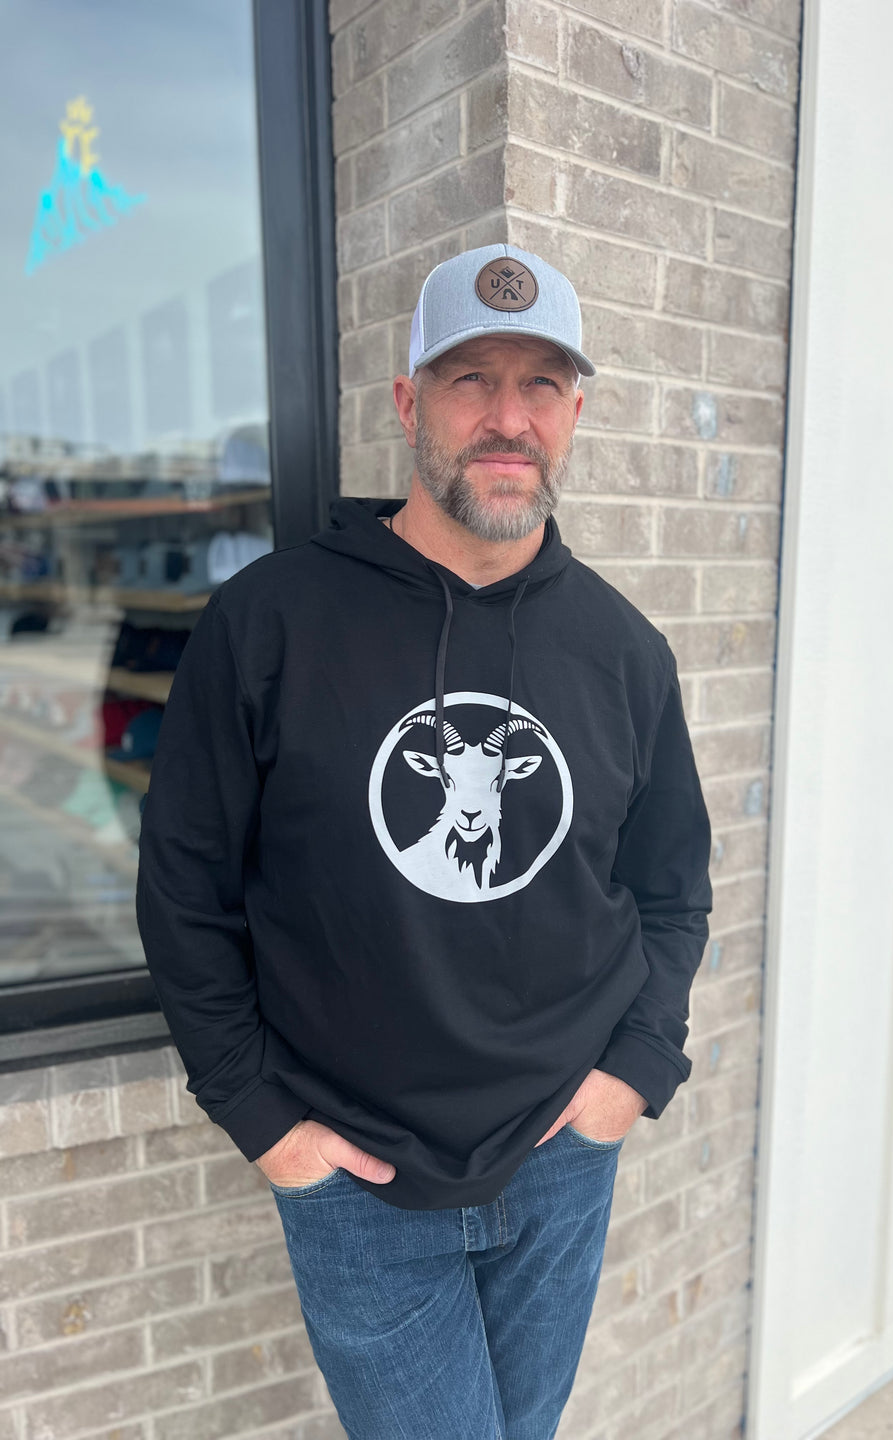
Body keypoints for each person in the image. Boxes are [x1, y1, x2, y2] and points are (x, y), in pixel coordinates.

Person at [136, 243, 712, 1440]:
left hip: (562, 1160)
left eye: (542, 385)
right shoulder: (271, 624)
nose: (509, 419)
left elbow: (670, 891)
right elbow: (186, 891)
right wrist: (263, 1120)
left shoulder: (623, 652)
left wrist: (633, 1075)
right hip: (356, 1181)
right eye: (470, 380)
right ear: (408, 403)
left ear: (577, 414)